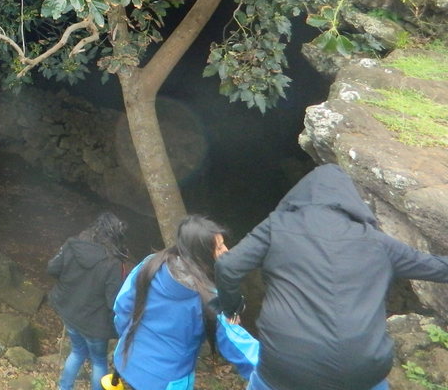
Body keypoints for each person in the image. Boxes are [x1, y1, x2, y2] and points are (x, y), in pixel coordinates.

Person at [215, 163, 448, 390]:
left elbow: (227, 266)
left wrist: (233, 307)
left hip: (288, 365)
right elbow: (437, 267)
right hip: (362, 369)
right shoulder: (378, 242)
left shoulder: (277, 226)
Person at [110, 215, 258, 390]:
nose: (226, 250)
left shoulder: (150, 264)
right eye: (219, 247)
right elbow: (244, 351)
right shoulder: (210, 299)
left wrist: (130, 341)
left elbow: (122, 307)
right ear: (202, 254)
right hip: (166, 382)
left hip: (128, 362)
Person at [48, 211, 129, 390]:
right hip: (95, 324)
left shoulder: (73, 245)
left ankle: (64, 387)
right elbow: (113, 302)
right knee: (99, 361)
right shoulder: (113, 263)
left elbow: (52, 268)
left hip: (71, 313)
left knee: (77, 351)